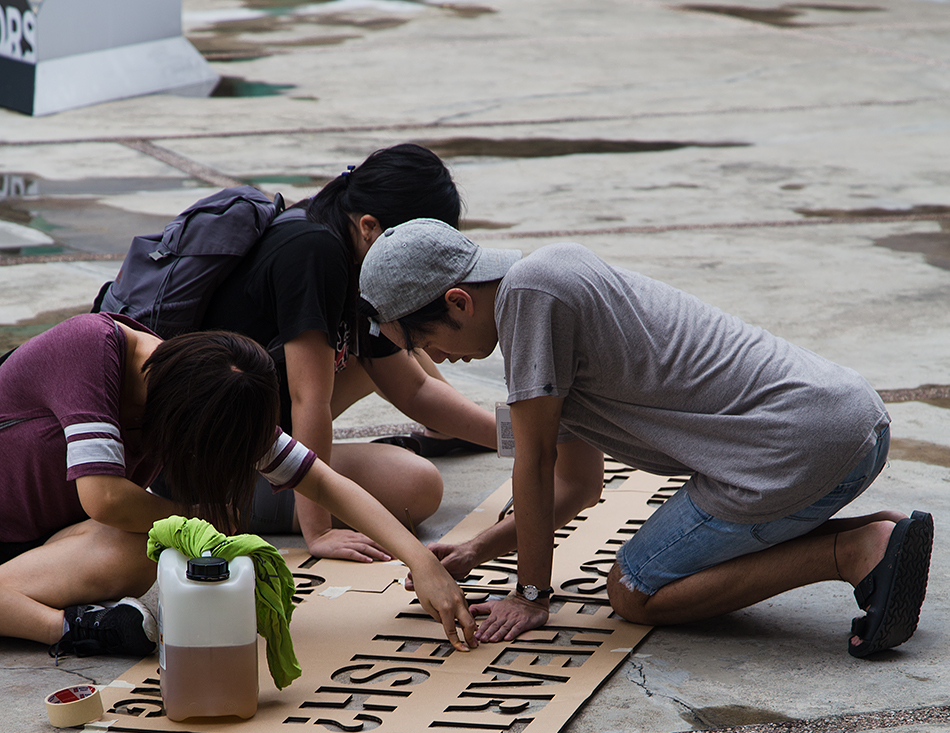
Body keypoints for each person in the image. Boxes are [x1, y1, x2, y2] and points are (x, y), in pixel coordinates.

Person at [358, 219, 933, 658]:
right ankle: (883, 534)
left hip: (792, 451)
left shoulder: (532, 300)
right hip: (848, 428)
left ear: (458, 300)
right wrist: (477, 549)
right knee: (643, 574)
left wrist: (530, 595)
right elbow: (578, 485)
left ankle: (852, 551)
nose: (433, 358)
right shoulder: (545, 289)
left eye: (422, 340)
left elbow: (531, 462)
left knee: (633, 592)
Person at [0, 312, 476, 659]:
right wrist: (201, 519)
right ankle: (71, 627)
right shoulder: (88, 351)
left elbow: (326, 484)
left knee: (148, 550)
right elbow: (102, 498)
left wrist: (420, 561)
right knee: (164, 531)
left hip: (49, 529)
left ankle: (31, 595)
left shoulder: (212, 390)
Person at [197, 143, 499, 561]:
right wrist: (317, 530)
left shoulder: (347, 239)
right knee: (418, 487)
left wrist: (525, 440)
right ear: (371, 227)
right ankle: (218, 506)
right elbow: (309, 399)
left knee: (402, 333)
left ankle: (448, 431)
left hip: (263, 414)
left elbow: (412, 390)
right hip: (218, 459)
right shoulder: (313, 251)